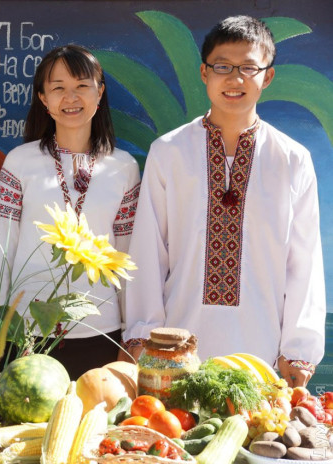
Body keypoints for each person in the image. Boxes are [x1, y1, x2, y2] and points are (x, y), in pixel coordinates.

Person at [121, 16, 325, 387]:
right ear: (204, 73)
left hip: (261, 357)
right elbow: (148, 252)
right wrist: (142, 334)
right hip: (175, 354)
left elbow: (304, 263)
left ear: (268, 76)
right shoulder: (168, 152)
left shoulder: (292, 160)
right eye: (223, 67)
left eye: (249, 68)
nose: (235, 79)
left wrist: (298, 349)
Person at [0, 44, 141, 380]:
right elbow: (0, 252)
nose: (71, 97)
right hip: (27, 330)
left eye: (82, 86)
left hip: (101, 329)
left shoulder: (123, 167)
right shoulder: (20, 162)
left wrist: (132, 333)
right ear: (43, 98)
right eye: (58, 88)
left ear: (100, 93)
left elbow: (128, 256)